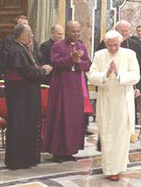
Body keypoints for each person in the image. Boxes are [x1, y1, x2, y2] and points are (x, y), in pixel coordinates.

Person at [88, 30, 140, 181]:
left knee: (121, 135)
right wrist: (106, 73)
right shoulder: (99, 55)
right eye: (109, 46)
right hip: (105, 100)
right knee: (107, 135)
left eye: (115, 45)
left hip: (123, 100)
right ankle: (109, 168)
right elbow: (91, 76)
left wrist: (118, 74)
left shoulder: (130, 54)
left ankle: (117, 168)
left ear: (121, 42)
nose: (112, 49)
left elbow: (136, 76)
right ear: (105, 44)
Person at [3, 24, 53, 170]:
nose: (32, 35)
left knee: (27, 126)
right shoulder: (16, 50)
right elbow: (28, 73)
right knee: (20, 126)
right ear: (22, 35)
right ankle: (19, 160)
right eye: (30, 33)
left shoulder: (22, 48)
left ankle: (27, 158)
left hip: (27, 96)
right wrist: (44, 71)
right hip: (21, 98)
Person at [42, 21, 91, 162]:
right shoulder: (58, 45)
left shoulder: (81, 46)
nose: (75, 34)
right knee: (60, 117)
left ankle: (70, 150)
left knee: (73, 118)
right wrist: (71, 58)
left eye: (77, 31)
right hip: (61, 86)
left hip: (75, 86)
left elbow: (87, 64)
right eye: (72, 31)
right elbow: (55, 63)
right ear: (67, 31)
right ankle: (57, 151)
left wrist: (77, 61)